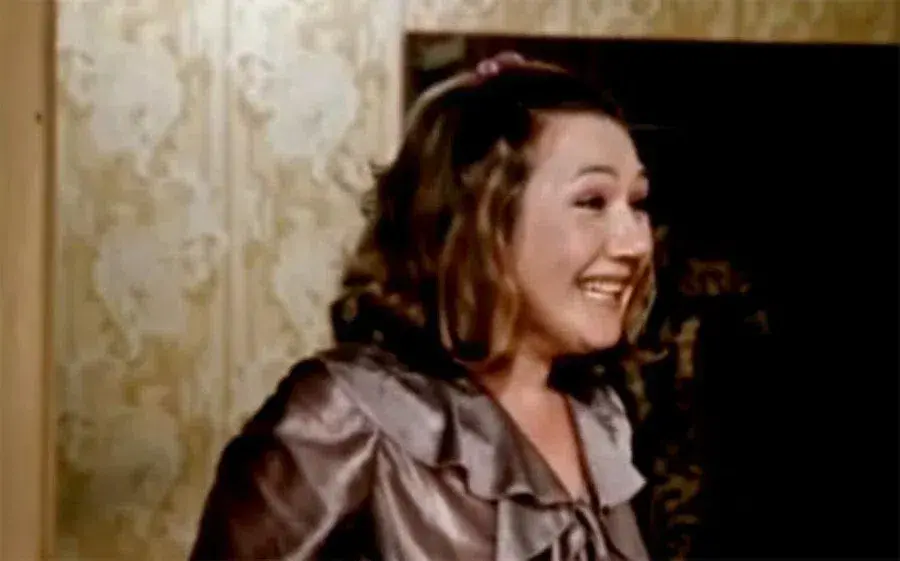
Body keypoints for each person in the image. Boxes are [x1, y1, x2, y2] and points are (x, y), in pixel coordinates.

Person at [190, 52, 656, 561]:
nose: (636, 243)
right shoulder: (342, 417)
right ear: (480, 215)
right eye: (592, 202)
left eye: (637, 204)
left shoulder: (602, 417)